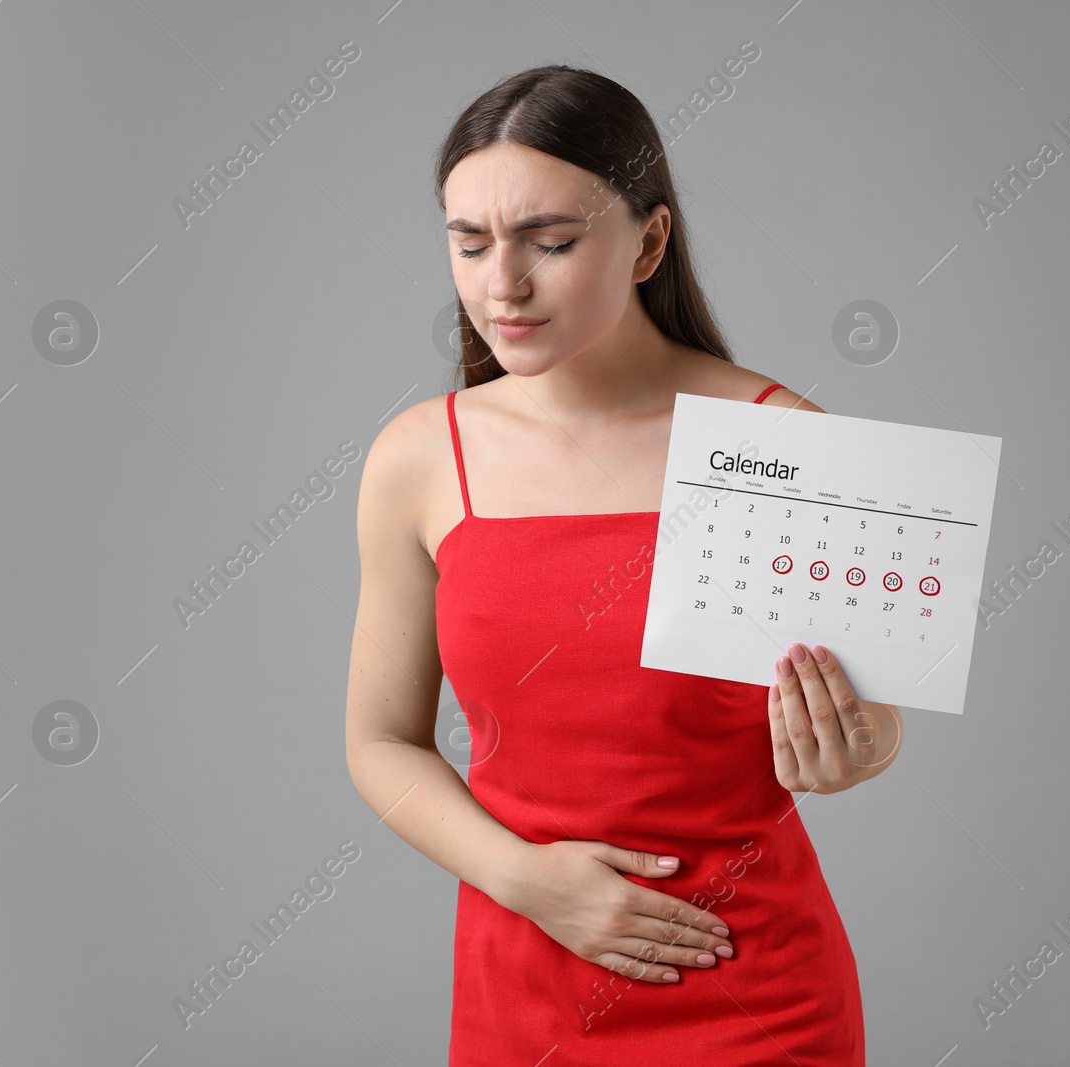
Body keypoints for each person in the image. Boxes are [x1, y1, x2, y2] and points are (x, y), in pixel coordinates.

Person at [344, 64, 903, 1065]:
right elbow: (380, 739)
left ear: (649, 241)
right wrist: (526, 880)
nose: (500, 284)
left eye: (549, 243)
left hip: (757, 993)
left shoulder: (779, 440)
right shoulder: (420, 458)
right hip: (522, 989)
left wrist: (856, 747)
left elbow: (872, 716)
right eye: (468, 243)